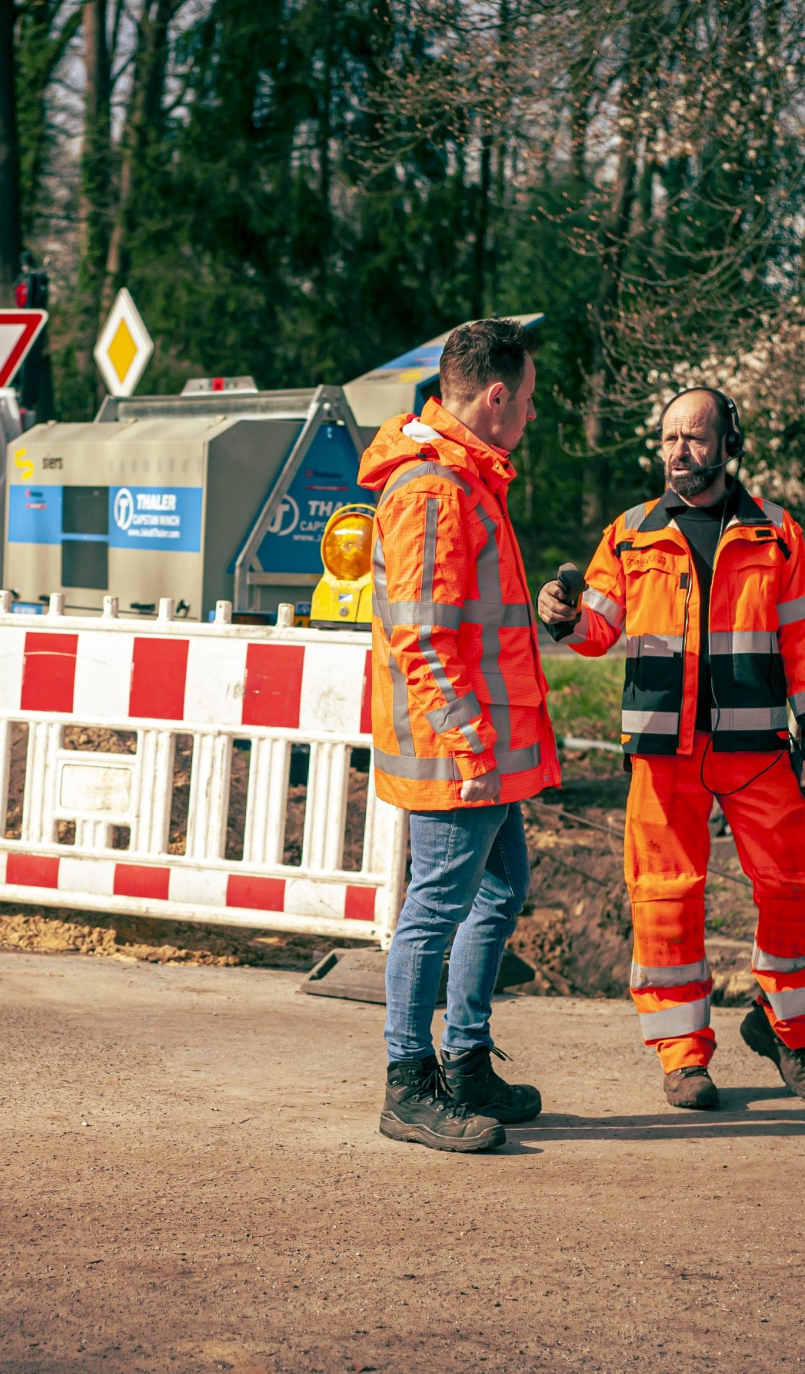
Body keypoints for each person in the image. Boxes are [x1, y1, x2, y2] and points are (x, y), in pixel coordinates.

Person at [536, 387, 805, 1111]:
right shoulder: (630, 533)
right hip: (662, 752)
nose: (678, 452)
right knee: (666, 899)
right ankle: (682, 1057)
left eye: (694, 439)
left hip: (759, 749)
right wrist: (564, 617)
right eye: (669, 439)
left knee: (799, 885)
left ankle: (784, 1032)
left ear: (728, 443)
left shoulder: (779, 534)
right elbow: (597, 630)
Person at [361, 318, 563, 1153]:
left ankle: (466, 1059)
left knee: (498, 890)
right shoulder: (435, 490)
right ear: (494, 397)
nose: (530, 416)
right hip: (461, 757)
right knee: (435, 909)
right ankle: (409, 1083)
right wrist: (474, 749)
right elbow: (425, 637)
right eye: (527, 400)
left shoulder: (467, 480)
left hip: (483, 753)